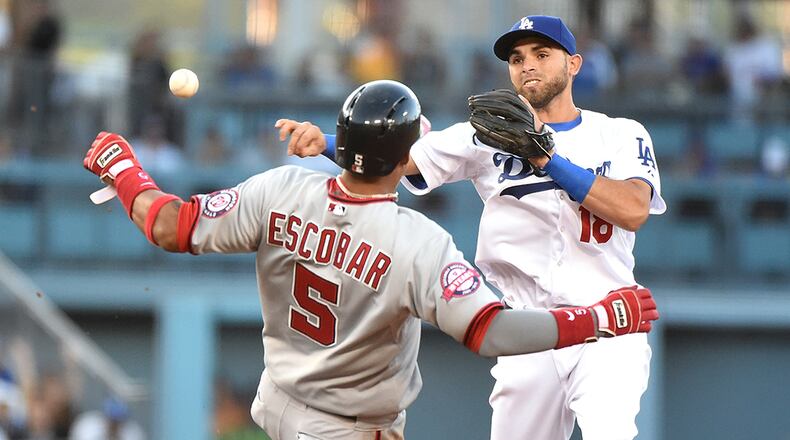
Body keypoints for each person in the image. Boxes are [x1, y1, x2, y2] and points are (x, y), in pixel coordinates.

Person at [82, 80, 658, 440]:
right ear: (407, 158)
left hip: (276, 406)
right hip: (347, 429)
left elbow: (170, 225)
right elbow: (493, 332)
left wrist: (125, 173)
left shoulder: (280, 188)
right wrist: (599, 319)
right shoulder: (419, 242)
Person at [279, 16, 666, 440]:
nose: (528, 65)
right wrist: (327, 144)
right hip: (531, 326)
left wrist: (547, 160)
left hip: (609, 319)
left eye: (542, 54)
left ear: (573, 64)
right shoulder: (485, 135)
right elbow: (398, 160)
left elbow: (633, 209)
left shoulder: (619, 134)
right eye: (517, 59)